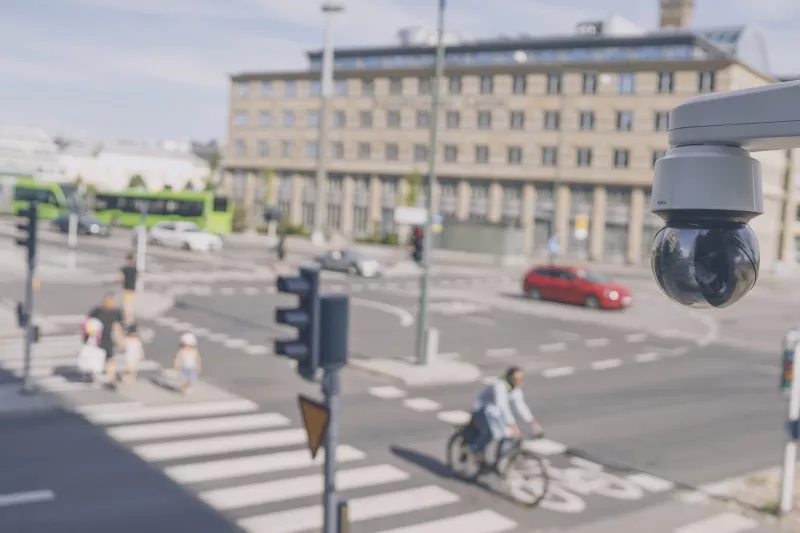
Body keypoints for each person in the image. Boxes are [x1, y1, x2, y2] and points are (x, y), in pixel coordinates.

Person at [470, 366, 542, 464]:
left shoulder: (515, 388)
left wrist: (532, 422)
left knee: (507, 435)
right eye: (516, 379)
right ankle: (474, 449)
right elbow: (502, 406)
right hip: (482, 409)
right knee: (490, 433)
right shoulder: (499, 384)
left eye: (521, 379)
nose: (519, 382)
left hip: (495, 412)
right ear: (509, 378)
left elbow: (521, 406)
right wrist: (512, 425)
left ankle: (499, 460)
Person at [88, 293, 125, 389]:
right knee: (100, 359)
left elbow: (117, 327)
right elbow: (89, 324)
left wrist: (120, 341)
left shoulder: (114, 312)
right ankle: (101, 377)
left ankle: (111, 379)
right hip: (98, 339)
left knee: (109, 359)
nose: (110, 303)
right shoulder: (97, 311)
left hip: (107, 339)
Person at [118, 253, 138, 325]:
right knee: (130, 305)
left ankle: (128, 320)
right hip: (133, 289)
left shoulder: (124, 269)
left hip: (126, 289)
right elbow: (137, 276)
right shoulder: (134, 268)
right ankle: (130, 319)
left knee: (126, 305)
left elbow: (119, 278)